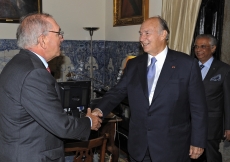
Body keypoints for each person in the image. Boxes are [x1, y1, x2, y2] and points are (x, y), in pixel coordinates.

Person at [92, 16, 208, 162]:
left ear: (163, 34)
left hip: (172, 147)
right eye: (140, 33)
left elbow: (198, 107)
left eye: (147, 33)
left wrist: (198, 141)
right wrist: (99, 110)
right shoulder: (134, 64)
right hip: (139, 146)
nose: (142, 38)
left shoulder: (187, 65)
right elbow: (118, 91)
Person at [0, 13, 102, 162]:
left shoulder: (18, 62)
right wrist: (89, 122)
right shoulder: (34, 73)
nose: (62, 38)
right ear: (43, 40)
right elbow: (61, 125)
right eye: (58, 33)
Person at [192, 34, 230, 162]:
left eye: (203, 46)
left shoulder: (224, 69)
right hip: (190, 122)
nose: (198, 50)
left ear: (213, 48)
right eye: (196, 46)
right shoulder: (189, 67)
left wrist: (228, 126)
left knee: (211, 156)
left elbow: (228, 100)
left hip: (211, 124)